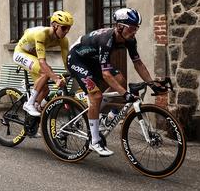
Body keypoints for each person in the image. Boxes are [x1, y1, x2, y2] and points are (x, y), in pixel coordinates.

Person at [68, 8, 166, 157]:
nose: (134, 32)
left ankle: (96, 114)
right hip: (77, 59)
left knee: (120, 79)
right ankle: (94, 141)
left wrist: (152, 83)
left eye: (136, 28)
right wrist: (123, 93)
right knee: (95, 96)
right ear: (120, 27)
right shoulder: (106, 40)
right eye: (132, 28)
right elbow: (106, 74)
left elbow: (138, 63)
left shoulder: (130, 40)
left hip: (92, 60)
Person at [13, 10, 73, 117]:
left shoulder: (64, 40)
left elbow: (66, 62)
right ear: (54, 26)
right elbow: (42, 62)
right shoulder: (42, 34)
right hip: (20, 53)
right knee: (45, 72)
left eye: (69, 28)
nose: (66, 31)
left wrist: (73, 73)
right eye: (64, 28)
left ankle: (33, 116)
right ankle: (29, 103)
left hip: (32, 55)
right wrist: (56, 79)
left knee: (45, 90)